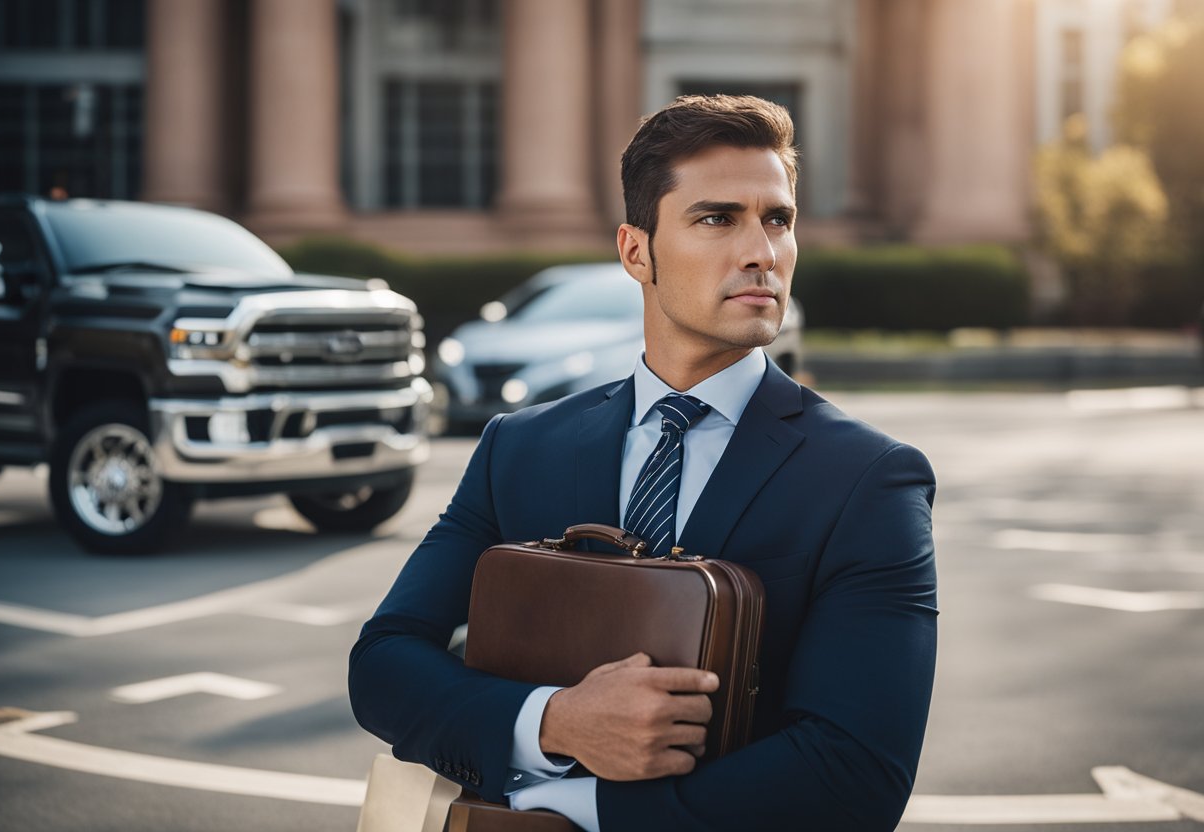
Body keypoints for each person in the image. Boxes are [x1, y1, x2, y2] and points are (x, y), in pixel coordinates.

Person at [349, 95, 937, 831]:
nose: (762, 250)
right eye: (718, 218)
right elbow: (383, 664)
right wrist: (553, 724)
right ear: (636, 251)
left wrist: (582, 808)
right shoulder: (518, 447)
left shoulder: (870, 480)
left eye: (777, 219)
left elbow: (857, 773)